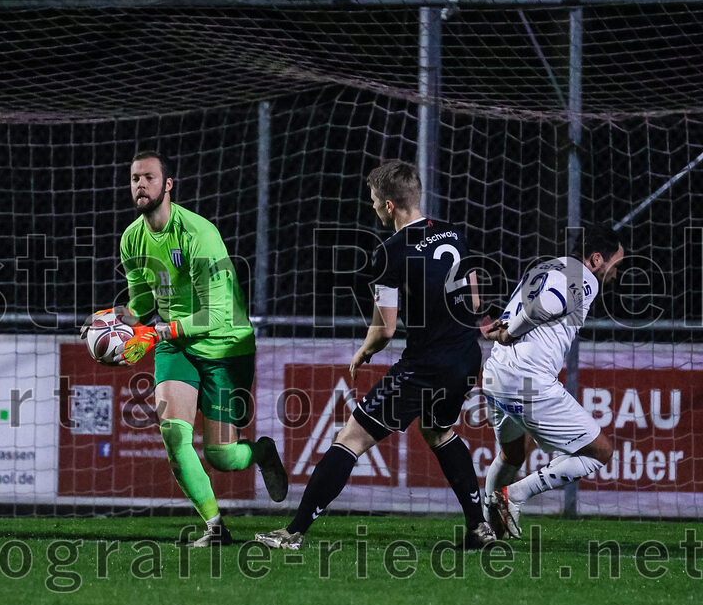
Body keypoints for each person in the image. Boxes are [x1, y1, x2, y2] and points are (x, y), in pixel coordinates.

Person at [257, 160, 495, 551]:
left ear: (388, 206)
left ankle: (293, 532)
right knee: (439, 432)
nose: (371, 207)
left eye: (372, 200)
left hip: (425, 366)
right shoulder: (454, 234)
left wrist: (363, 351)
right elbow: (473, 300)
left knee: (349, 438)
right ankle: (478, 527)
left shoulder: (390, 252)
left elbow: (385, 329)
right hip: (467, 356)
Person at [83, 149, 287, 547]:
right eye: (134, 178)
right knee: (174, 437)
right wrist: (113, 319)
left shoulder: (199, 236)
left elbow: (214, 316)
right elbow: (143, 303)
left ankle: (262, 453)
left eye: (149, 178)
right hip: (175, 345)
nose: (140, 185)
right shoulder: (131, 238)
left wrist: (157, 333)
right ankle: (215, 528)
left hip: (225, 346)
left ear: (168, 185)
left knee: (221, 457)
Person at [481, 225, 624, 538]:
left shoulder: (547, 266)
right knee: (599, 452)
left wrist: (504, 328)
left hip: (495, 374)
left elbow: (521, 307)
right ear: (597, 259)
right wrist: (511, 332)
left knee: (513, 454)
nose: (616, 274)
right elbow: (546, 304)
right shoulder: (582, 278)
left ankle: (486, 527)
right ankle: (512, 496)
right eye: (616, 265)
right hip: (527, 380)